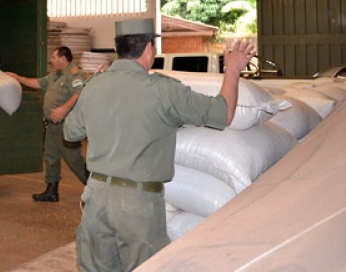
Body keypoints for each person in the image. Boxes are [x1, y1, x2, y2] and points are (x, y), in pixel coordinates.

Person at [63, 18, 255, 271]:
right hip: (137, 203)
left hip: (96, 197)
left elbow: (70, 132)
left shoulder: (94, 86)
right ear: (149, 48)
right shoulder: (163, 90)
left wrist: (92, 88)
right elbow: (224, 113)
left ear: (117, 48)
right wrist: (232, 69)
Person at [6, 46, 88, 202]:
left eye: (54, 57)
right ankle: (51, 191)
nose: (51, 60)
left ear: (63, 58)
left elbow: (81, 93)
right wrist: (18, 77)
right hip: (52, 125)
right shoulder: (55, 75)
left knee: (73, 160)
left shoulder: (74, 74)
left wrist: (64, 108)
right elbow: (38, 83)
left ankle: (96, 189)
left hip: (66, 126)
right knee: (51, 157)